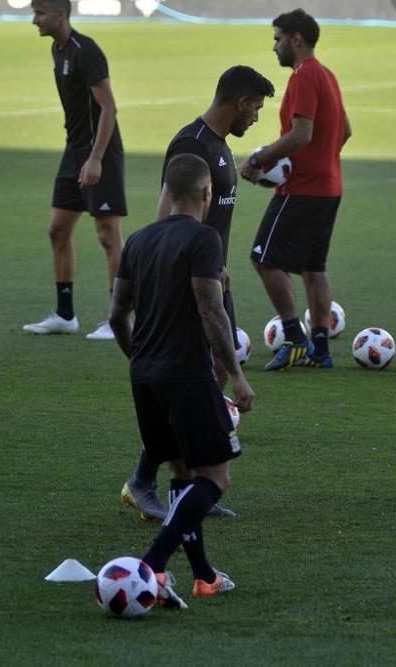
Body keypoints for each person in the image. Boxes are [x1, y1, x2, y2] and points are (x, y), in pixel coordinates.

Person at [120, 65, 274, 522]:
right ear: (241, 102)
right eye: (258, 109)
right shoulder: (192, 144)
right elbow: (165, 218)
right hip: (192, 281)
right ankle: (147, 482)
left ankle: (184, 489)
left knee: (214, 376)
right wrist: (191, 273)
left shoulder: (221, 148)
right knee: (189, 384)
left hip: (211, 273)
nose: (258, 119)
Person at [108, 153, 254, 603]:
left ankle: (204, 576)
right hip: (187, 376)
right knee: (215, 479)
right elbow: (210, 310)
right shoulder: (204, 239)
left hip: (144, 376)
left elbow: (117, 316)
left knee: (181, 473)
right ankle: (150, 567)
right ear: (207, 194)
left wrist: (142, 359)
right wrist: (237, 375)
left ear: (168, 194)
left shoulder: (137, 240)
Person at [238, 8, 351, 371]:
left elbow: (301, 135)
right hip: (330, 186)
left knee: (264, 258)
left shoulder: (304, 77)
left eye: (277, 38)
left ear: (295, 39)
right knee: (313, 267)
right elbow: (344, 131)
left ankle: (295, 338)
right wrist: (320, 162)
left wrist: (259, 160)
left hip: (302, 191)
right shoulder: (327, 75)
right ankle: (321, 349)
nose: (274, 47)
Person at [23, 0, 126, 340]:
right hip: (74, 152)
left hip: (101, 152)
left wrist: (96, 158)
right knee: (57, 229)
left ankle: (117, 320)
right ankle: (65, 315)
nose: (34, 19)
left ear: (60, 14)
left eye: (39, 13)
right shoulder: (58, 49)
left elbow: (109, 107)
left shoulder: (87, 51)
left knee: (108, 236)